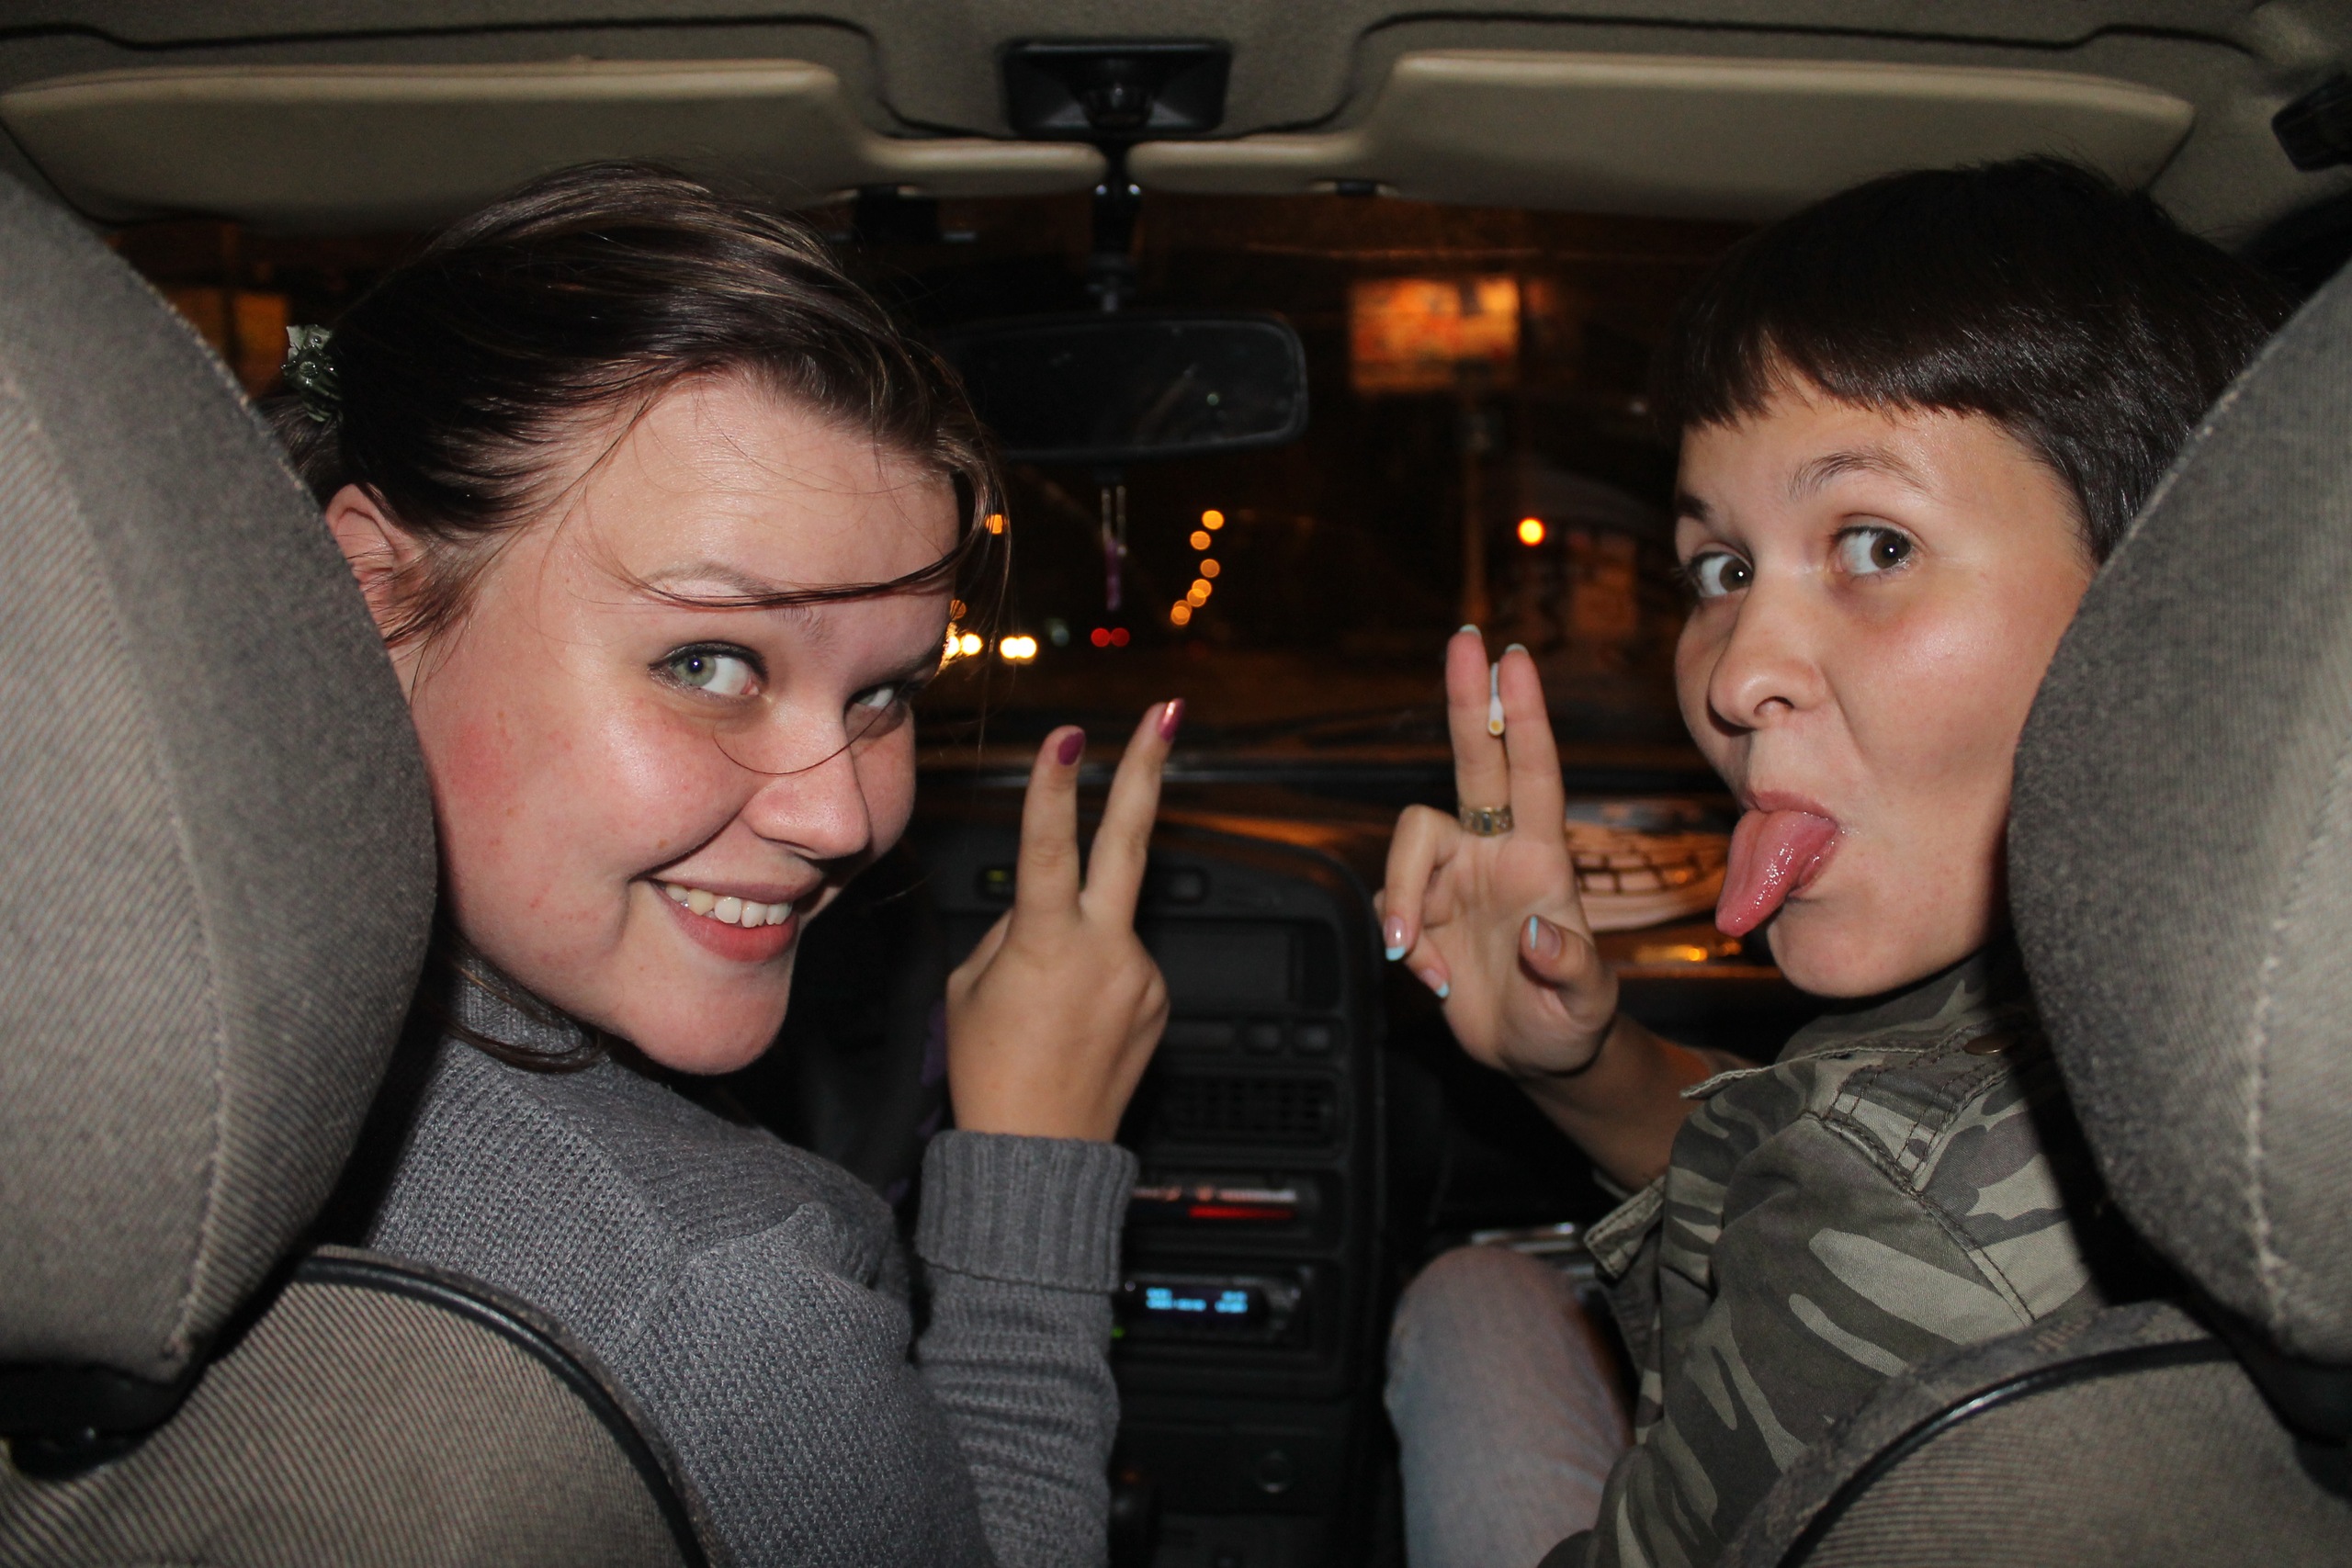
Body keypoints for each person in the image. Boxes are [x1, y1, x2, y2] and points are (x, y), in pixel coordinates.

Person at [1375, 158, 2293, 1568]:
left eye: (1873, 543)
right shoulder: (2188, 975)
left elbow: (1880, 1176)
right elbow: (1823, 1140)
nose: (1734, 675)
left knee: (1466, 1295)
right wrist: (1586, 1063)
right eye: (1724, 569)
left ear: (2169, 591)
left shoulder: (1910, 1215)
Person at [271, 163, 1178, 1568]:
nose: (842, 818)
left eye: (886, 693)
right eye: (708, 662)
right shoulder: (712, 1294)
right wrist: (1035, 1166)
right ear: (372, 596)